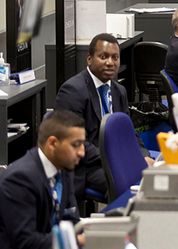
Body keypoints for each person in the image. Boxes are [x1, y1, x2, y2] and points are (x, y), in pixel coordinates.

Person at [54, 33, 153, 201]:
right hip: (85, 167)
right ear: (89, 59)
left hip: (114, 161)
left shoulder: (118, 90)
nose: (110, 62)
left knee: (156, 178)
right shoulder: (72, 90)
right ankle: (121, 223)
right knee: (128, 185)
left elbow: (130, 133)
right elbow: (73, 143)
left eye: (115, 57)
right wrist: (118, 159)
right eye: (103, 56)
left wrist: (142, 155)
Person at [0, 110, 86, 249]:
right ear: (52, 143)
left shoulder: (63, 167)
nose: (82, 152)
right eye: (76, 144)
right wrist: (76, 241)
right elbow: (26, 243)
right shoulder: (19, 181)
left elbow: (71, 217)